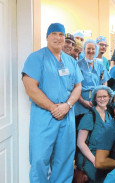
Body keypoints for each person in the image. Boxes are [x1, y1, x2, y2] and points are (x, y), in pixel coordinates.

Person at [22, 23, 83, 182]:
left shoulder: (70, 61)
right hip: (44, 117)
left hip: (67, 117)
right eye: (54, 34)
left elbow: (78, 87)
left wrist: (67, 105)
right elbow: (30, 87)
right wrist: (53, 107)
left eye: (61, 34)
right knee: (39, 160)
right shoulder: (36, 58)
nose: (58, 38)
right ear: (47, 37)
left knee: (64, 160)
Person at [76, 86, 113, 183]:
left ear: (109, 97)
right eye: (99, 97)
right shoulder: (89, 116)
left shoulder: (109, 116)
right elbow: (80, 143)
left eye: (105, 96)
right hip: (90, 158)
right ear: (95, 99)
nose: (102, 99)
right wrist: (94, 160)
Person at [75, 39, 110, 117]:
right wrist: (83, 101)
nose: (91, 51)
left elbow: (104, 83)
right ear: (84, 50)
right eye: (88, 48)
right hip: (81, 101)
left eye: (93, 49)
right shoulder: (78, 65)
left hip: (97, 101)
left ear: (96, 50)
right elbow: (75, 86)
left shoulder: (100, 65)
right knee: (82, 125)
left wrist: (102, 98)